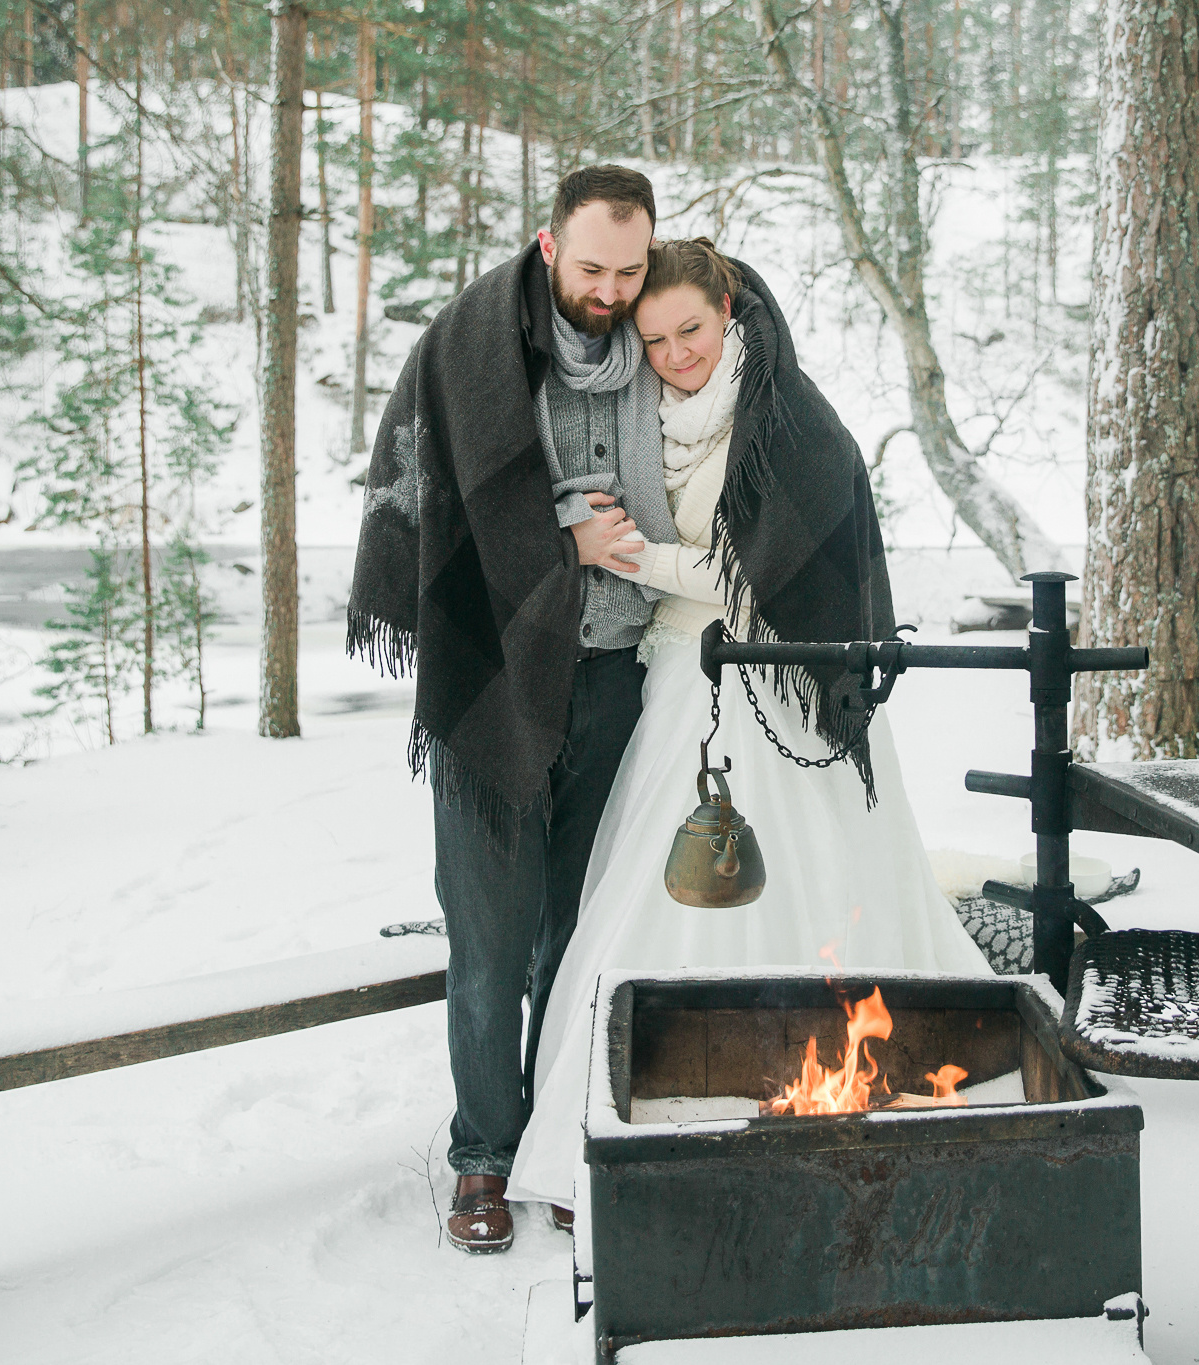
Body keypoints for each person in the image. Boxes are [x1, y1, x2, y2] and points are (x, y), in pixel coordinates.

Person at [505, 238, 993, 1220]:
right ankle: (626, 1111)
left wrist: (622, 555)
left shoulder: (785, 420)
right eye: (653, 340)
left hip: (772, 685)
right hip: (678, 678)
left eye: (689, 329)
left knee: (795, 885)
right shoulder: (649, 414)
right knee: (666, 890)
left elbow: (747, 576)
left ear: (727, 307)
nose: (676, 353)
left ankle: (804, 1081)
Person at [346, 166, 678, 1254]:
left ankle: (564, 1141)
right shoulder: (468, 349)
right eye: (590, 267)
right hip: (490, 677)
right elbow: (430, 504)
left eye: (629, 269)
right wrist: (561, 538)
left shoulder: (666, 348)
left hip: (620, 675)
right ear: (547, 246)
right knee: (489, 939)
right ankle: (485, 1157)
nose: (611, 289)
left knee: (582, 935)